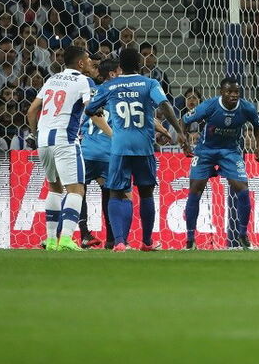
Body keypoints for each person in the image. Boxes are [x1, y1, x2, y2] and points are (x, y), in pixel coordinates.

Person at [85, 48, 189, 251]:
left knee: (116, 193)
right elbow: (165, 105)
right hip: (144, 147)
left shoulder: (110, 85)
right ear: (140, 64)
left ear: (120, 66)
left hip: (119, 147)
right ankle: (147, 242)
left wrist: (101, 109)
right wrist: (179, 131)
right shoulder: (150, 83)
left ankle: (120, 241)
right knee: (146, 192)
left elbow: (90, 109)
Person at [25, 46, 100, 252]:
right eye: (88, 59)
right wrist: (112, 134)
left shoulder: (52, 79)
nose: (91, 63)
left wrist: (34, 134)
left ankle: (50, 240)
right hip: (65, 140)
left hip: (44, 140)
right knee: (76, 189)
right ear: (81, 63)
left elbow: (32, 111)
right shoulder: (85, 81)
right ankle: (66, 239)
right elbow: (92, 110)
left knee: (54, 188)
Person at [181, 77, 259, 250]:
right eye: (229, 92)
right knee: (195, 189)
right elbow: (185, 121)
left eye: (236, 92)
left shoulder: (247, 108)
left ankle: (242, 235)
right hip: (205, 151)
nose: (234, 95)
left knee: (243, 190)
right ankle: (189, 239)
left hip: (230, 153)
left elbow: (258, 125)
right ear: (221, 92)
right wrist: (185, 144)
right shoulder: (210, 106)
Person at [78, 55, 119, 249]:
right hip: (107, 151)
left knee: (78, 192)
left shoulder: (88, 91)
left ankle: (84, 233)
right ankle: (111, 238)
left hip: (86, 150)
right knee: (109, 194)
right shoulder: (116, 93)